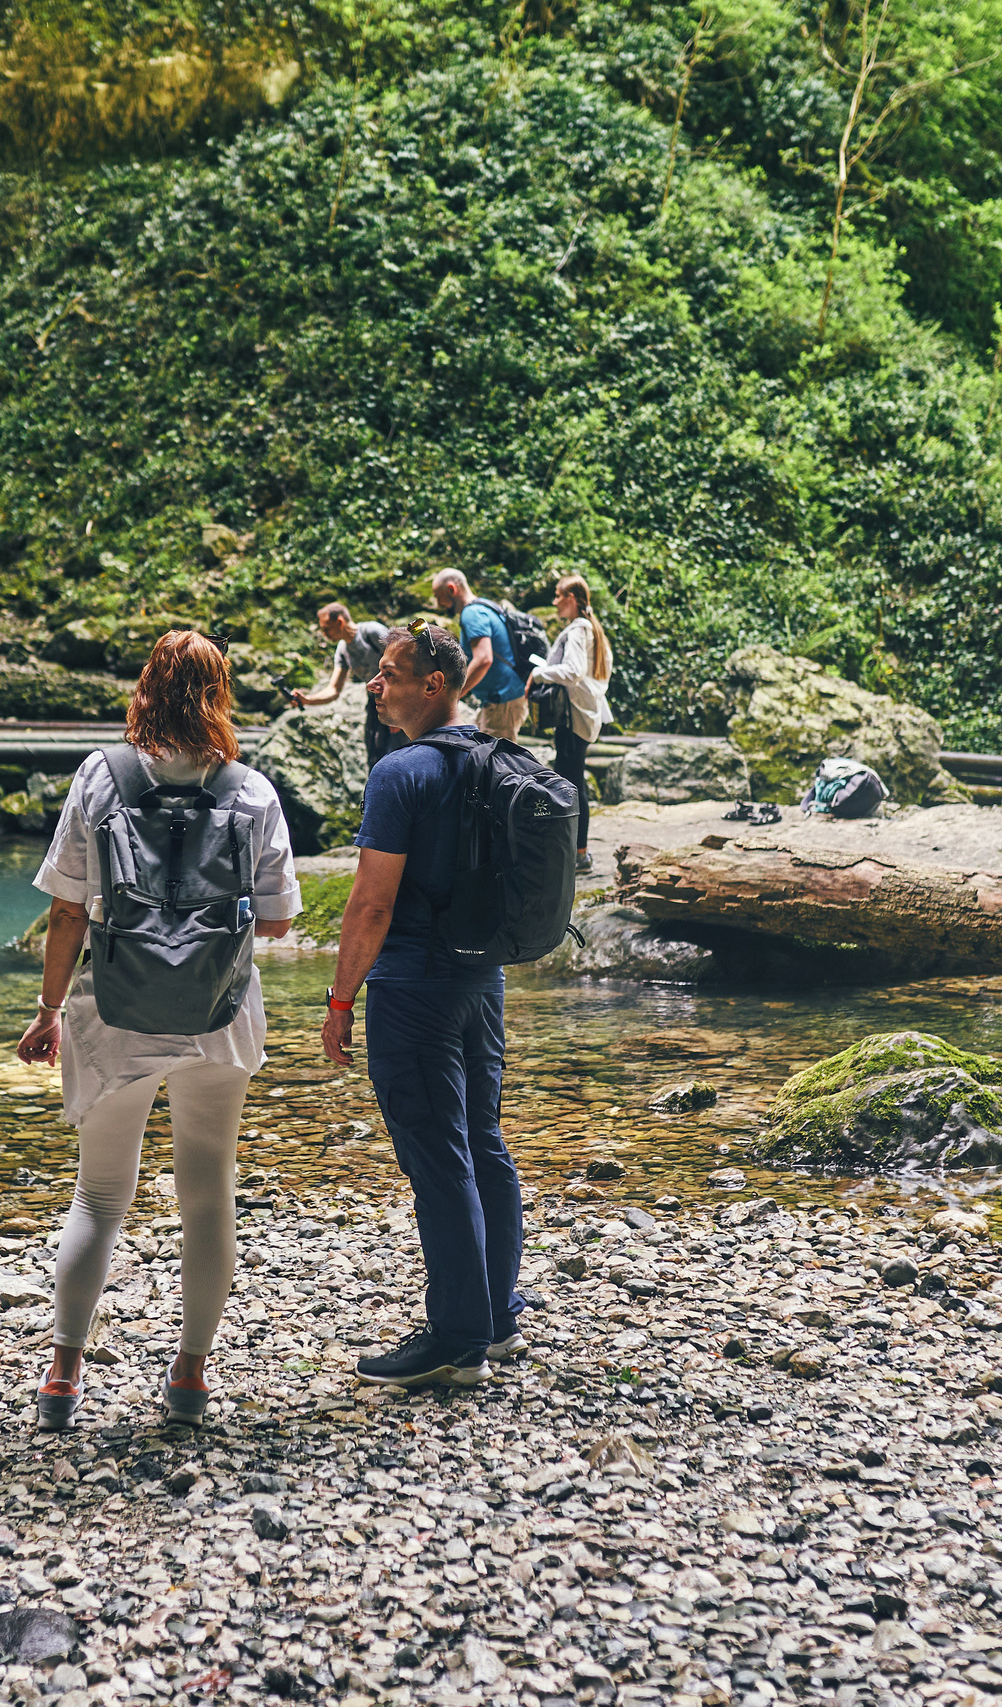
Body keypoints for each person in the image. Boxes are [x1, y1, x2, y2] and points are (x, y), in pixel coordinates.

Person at [16, 632, 301, 1429]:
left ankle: (64, 1376)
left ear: (144, 688)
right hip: (218, 1014)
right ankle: (189, 1376)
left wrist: (47, 1012)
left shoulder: (99, 777)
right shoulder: (252, 791)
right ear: (221, 694)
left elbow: (68, 909)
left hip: (116, 1013)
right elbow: (278, 923)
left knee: (100, 1195)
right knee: (208, 1193)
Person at [319, 623, 525, 1388]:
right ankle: (497, 1318)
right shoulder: (503, 757)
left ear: (434, 685)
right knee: (482, 1140)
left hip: (413, 988)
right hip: (484, 982)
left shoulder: (400, 772)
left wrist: (341, 998)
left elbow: (370, 905)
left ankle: (457, 1338)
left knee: (439, 1159)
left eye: (391, 673)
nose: (375, 684)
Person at [525, 575, 614, 874]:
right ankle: (577, 851)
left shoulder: (579, 630)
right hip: (584, 716)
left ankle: (578, 854)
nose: (554, 601)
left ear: (572, 598)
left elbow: (573, 672)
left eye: (558, 595)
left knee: (571, 786)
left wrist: (539, 674)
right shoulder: (592, 629)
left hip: (573, 719)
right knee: (573, 782)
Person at [287, 602, 400, 772]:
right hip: (375, 704)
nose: (324, 635)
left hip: (398, 700)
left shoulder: (372, 632)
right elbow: (334, 690)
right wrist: (307, 700)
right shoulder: (342, 649)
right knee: (374, 755)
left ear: (340, 622)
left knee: (399, 752)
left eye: (327, 629)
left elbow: (403, 663)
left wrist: (397, 709)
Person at [430, 570, 526, 740]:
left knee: (497, 763)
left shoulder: (472, 614)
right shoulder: (484, 606)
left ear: (452, 589)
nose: (439, 604)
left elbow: (483, 659)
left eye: (439, 596)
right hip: (501, 699)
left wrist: (453, 695)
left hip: (501, 701)